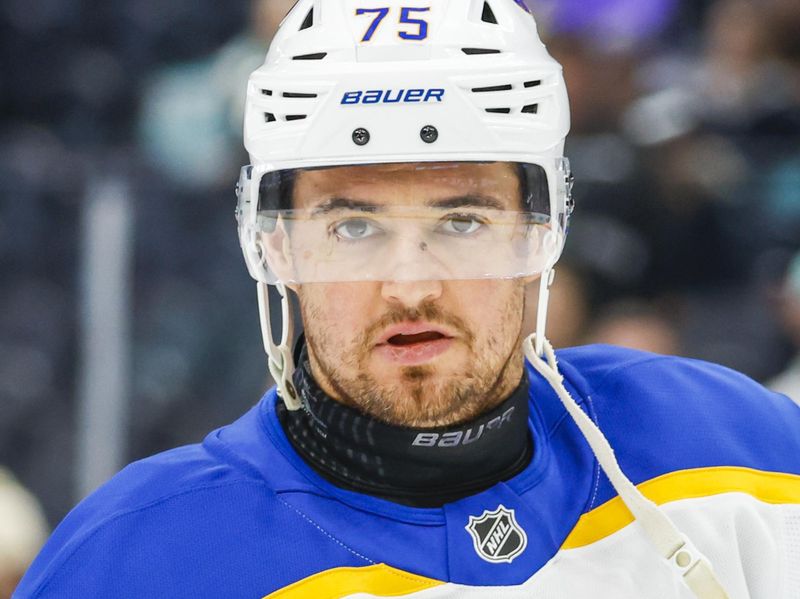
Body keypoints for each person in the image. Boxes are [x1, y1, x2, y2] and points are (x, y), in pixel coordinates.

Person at [14, 1, 800, 597]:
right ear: (275, 246)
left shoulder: (738, 449)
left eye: (463, 219)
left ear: (545, 230)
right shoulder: (135, 562)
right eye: (353, 226)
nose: (412, 283)